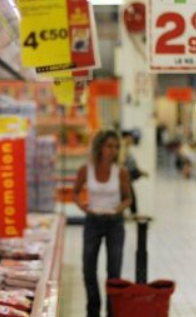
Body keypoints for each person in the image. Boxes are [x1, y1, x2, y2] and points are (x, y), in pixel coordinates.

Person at [73, 131, 133, 317]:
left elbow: (128, 198)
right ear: (99, 147)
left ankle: (112, 312)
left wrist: (118, 209)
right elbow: (75, 193)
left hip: (114, 223)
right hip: (93, 221)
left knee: (114, 272)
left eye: (116, 147)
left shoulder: (120, 171)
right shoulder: (86, 169)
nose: (113, 150)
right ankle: (93, 310)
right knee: (88, 270)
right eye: (109, 146)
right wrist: (83, 206)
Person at [120, 129, 148, 215]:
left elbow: (131, 164)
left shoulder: (126, 148)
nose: (133, 142)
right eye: (133, 139)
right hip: (124, 179)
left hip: (127, 178)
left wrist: (140, 172)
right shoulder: (122, 147)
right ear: (128, 137)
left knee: (130, 200)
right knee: (130, 199)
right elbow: (121, 162)